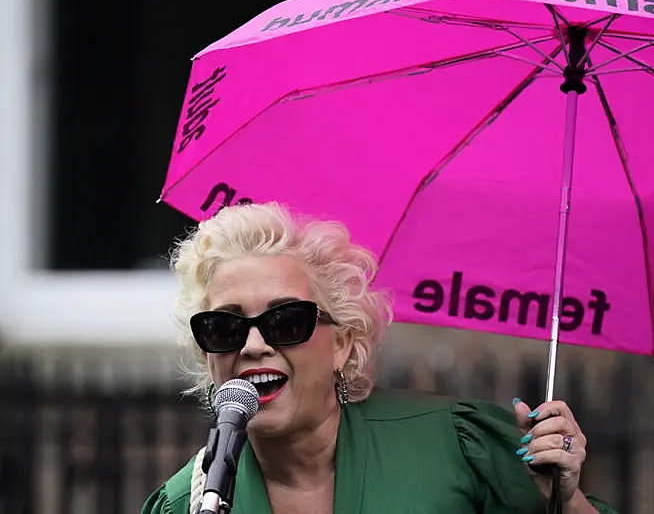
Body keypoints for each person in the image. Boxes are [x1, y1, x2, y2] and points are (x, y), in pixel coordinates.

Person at [141, 202, 617, 514]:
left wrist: (566, 501)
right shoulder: (187, 502)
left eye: (287, 322)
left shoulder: (455, 448)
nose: (253, 346)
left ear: (343, 344)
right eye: (224, 327)